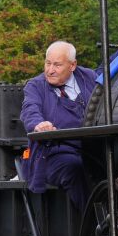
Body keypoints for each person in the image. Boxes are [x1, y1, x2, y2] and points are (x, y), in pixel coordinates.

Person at [20, 40, 96, 208]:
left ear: (73, 65)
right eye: (47, 63)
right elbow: (29, 110)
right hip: (52, 154)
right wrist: (38, 124)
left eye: (57, 65)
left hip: (93, 150)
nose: (50, 70)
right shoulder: (35, 86)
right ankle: (94, 223)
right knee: (74, 167)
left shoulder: (90, 77)